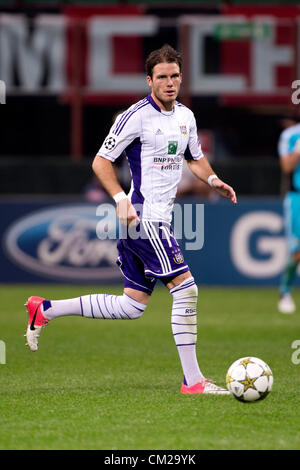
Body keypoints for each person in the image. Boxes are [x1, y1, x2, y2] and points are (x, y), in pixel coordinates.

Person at [25, 44, 237, 394]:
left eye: (174, 76)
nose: (169, 83)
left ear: (181, 78)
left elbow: (194, 157)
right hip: (143, 218)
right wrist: (120, 198)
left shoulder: (186, 117)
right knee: (187, 290)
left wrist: (212, 179)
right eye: (162, 77)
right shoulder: (135, 116)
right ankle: (194, 381)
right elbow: (100, 162)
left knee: (131, 305)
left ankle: (45, 309)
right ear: (149, 80)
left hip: (155, 220)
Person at [277, 114, 300, 314]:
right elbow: (287, 166)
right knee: (297, 252)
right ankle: (285, 292)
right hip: (297, 198)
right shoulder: (291, 135)